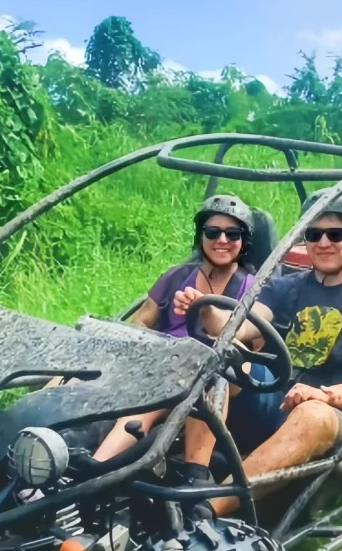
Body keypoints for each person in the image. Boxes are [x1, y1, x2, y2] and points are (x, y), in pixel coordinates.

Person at [173, 188, 342, 517]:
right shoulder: (287, 287)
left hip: (340, 415)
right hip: (277, 396)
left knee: (311, 414)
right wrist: (204, 311)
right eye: (313, 234)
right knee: (218, 361)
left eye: (335, 233)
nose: (323, 242)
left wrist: (325, 395)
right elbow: (239, 327)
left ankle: (208, 510)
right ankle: (194, 478)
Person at [90, 194, 257, 467]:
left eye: (232, 234)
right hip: (157, 361)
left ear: (244, 240)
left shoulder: (251, 287)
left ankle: (92, 473)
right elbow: (140, 322)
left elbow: (252, 348)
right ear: (201, 236)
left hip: (201, 378)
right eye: (213, 232)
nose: (222, 241)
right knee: (76, 374)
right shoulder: (176, 276)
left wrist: (204, 313)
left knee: (151, 401)